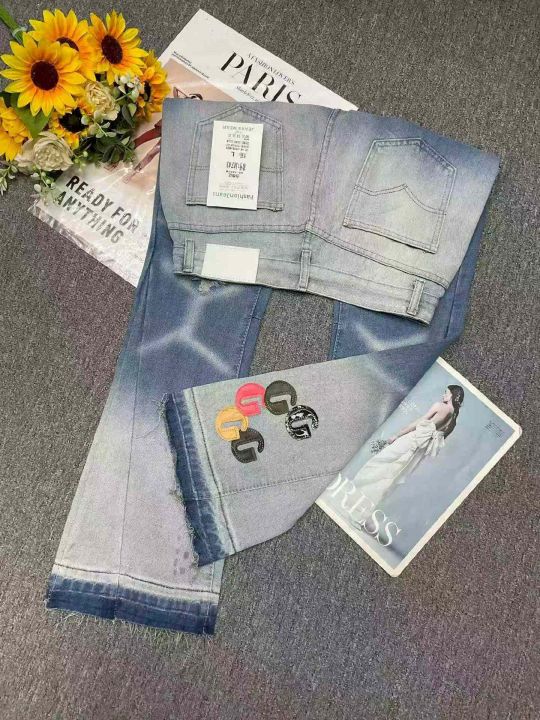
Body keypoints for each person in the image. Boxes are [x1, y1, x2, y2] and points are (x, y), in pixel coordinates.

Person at [351, 385, 465, 510]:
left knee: (382, 460)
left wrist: (397, 435)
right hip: (420, 451)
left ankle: (355, 490)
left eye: (446, 393)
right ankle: (366, 505)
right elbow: (438, 439)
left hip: (412, 440)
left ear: (452, 395)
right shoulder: (453, 421)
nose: (443, 395)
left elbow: (418, 422)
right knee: (394, 474)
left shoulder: (439, 406)